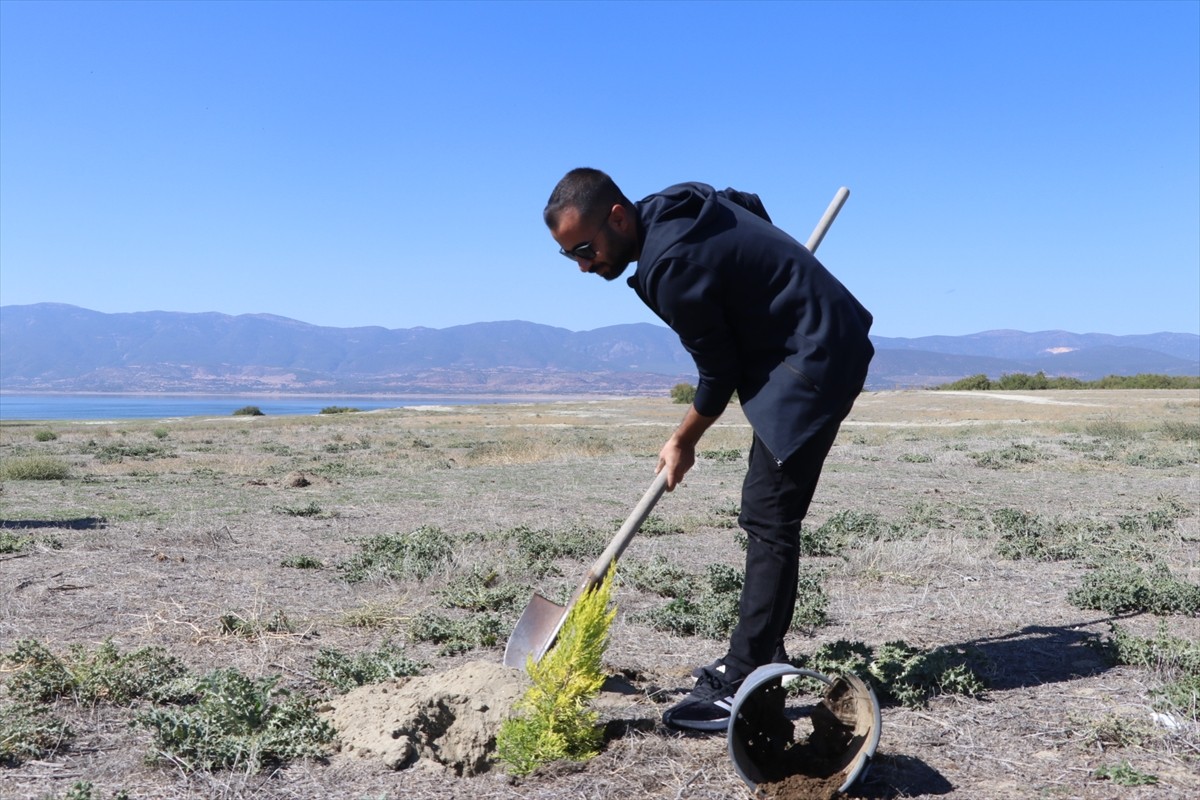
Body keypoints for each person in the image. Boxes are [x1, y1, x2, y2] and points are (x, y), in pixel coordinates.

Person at [544, 168, 875, 732]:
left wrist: (682, 440)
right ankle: (763, 658)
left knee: (770, 517)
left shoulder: (668, 266)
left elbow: (717, 373)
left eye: (585, 248)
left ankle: (744, 678)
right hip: (800, 342)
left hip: (813, 359)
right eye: (569, 255)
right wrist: (767, 277)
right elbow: (746, 201)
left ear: (617, 218)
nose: (583, 265)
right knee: (766, 512)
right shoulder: (674, 204)